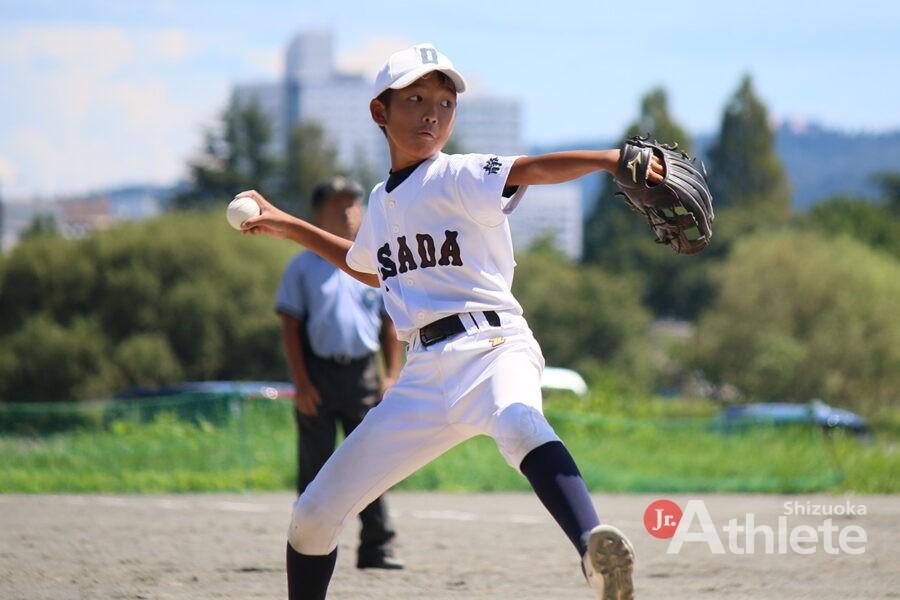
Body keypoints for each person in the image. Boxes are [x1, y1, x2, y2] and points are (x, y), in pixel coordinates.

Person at [238, 43, 667, 600]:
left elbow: (531, 169)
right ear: (379, 112)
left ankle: (594, 552)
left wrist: (610, 159)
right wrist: (288, 225)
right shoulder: (381, 200)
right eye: (415, 99)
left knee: (518, 423)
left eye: (444, 101)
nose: (432, 113)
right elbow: (367, 267)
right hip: (422, 376)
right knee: (313, 516)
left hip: (494, 346)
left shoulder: (457, 175)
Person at [275, 176, 403, 570]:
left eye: (352, 204)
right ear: (317, 215)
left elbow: (389, 324)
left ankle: (377, 548)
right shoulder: (302, 267)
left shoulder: (372, 264)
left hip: (362, 374)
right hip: (318, 374)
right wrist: (302, 383)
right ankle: (307, 545)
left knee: (370, 461)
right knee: (315, 467)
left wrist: (391, 375)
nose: (348, 212)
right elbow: (291, 327)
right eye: (337, 205)